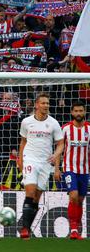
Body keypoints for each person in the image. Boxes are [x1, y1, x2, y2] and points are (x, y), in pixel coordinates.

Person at [17, 93, 64, 240]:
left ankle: (27, 227)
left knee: (36, 198)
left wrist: (56, 160)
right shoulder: (26, 122)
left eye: (48, 103)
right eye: (43, 103)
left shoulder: (54, 123)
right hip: (30, 159)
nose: (46, 105)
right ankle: (24, 228)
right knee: (30, 193)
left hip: (45, 163)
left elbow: (60, 144)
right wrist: (20, 160)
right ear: (36, 105)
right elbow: (23, 142)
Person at [59, 101, 89, 240]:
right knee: (74, 195)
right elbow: (59, 149)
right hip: (69, 168)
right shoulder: (65, 129)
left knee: (81, 200)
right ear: (72, 112)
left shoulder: (89, 128)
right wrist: (56, 169)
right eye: (76, 111)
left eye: (80, 111)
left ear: (84, 112)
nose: (78, 113)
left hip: (85, 170)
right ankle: (74, 230)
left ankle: (76, 228)